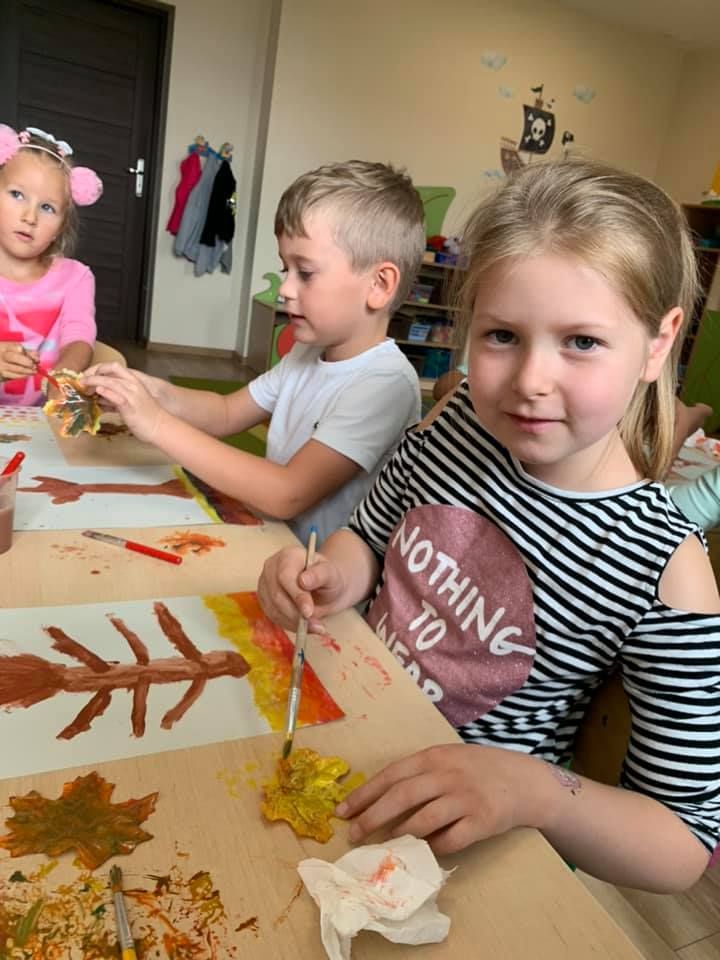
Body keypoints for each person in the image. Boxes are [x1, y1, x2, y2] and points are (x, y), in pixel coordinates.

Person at [257, 157, 720, 894]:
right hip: (337, 732)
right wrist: (327, 575)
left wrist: (534, 791)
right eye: (502, 335)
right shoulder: (454, 426)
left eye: (582, 342)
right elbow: (368, 538)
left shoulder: (666, 569)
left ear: (658, 343)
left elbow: (685, 842)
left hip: (459, 850)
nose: (530, 381)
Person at [83, 160, 424, 543]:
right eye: (285, 269)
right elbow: (226, 412)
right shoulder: (307, 354)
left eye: (305, 272)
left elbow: (286, 493)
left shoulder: (385, 383)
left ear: (379, 284)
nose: (285, 289)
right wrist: (151, 392)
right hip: (271, 541)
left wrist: (157, 424)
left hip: (317, 571)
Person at [0, 124, 102, 404]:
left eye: (47, 208)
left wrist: (65, 373)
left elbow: (79, 336)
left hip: (40, 422)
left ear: (61, 226)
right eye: (17, 194)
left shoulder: (76, 278)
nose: (29, 217)